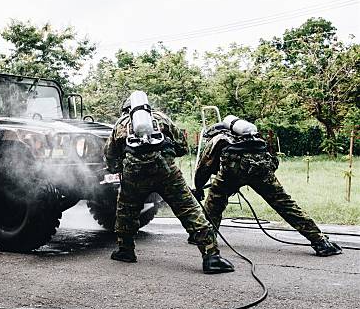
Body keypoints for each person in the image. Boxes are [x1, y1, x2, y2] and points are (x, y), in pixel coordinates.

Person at [104, 93, 235, 274]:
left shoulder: (120, 124)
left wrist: (119, 169)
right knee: (189, 209)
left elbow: (110, 156)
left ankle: (125, 251)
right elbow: (182, 146)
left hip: (134, 175)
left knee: (126, 210)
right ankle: (211, 257)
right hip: (166, 172)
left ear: (126, 109)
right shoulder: (161, 119)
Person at [193, 117, 342, 257]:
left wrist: (198, 188)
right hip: (261, 169)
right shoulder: (251, 136)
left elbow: (203, 168)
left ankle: (205, 238)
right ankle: (320, 241)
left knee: (215, 201)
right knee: (285, 204)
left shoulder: (217, 138)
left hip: (233, 170)